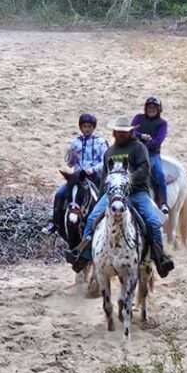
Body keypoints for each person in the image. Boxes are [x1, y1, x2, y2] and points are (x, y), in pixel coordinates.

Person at [69, 116, 175, 278]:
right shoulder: (109, 152)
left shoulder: (139, 148)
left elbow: (144, 170)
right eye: (118, 132)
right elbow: (105, 177)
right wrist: (102, 196)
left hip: (137, 192)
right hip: (112, 194)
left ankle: (159, 257)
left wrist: (127, 180)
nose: (121, 134)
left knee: (153, 221)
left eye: (124, 132)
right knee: (91, 219)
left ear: (130, 132)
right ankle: (84, 255)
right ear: (114, 132)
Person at [42, 113, 109, 234]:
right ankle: (55, 223)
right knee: (60, 193)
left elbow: (104, 161)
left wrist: (92, 170)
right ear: (81, 127)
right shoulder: (75, 143)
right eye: (84, 126)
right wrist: (70, 155)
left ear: (93, 127)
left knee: (105, 196)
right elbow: (70, 163)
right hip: (77, 177)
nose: (87, 129)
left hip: (94, 177)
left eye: (89, 126)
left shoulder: (101, 142)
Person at [131, 96, 169, 215]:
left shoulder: (162, 123)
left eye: (154, 107)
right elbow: (131, 131)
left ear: (158, 109)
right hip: (135, 151)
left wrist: (144, 147)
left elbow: (158, 140)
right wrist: (141, 136)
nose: (151, 109)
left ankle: (163, 202)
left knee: (159, 173)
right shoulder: (138, 118)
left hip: (152, 153)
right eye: (149, 107)